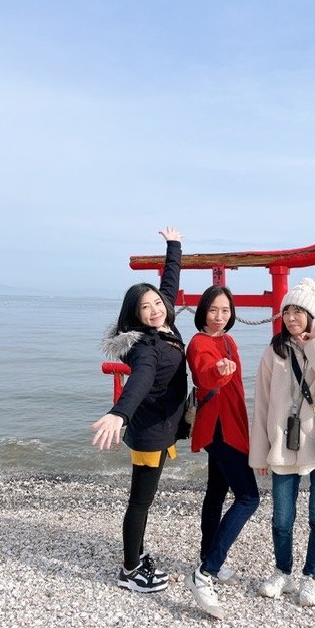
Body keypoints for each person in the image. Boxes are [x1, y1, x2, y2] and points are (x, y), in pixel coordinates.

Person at [249, 278, 315, 607]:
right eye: (287, 311)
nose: (292, 317)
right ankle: (283, 572)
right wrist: (258, 455)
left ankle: (312, 578)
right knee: (282, 518)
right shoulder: (274, 351)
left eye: (299, 311)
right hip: (283, 446)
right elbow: (262, 404)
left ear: (312, 316)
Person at [91, 226, 186, 594]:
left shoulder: (165, 321)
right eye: (145, 307)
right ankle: (130, 570)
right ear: (133, 315)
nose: (155, 309)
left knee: (144, 500)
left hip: (161, 427)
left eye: (157, 304)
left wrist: (173, 246)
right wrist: (119, 413)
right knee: (140, 502)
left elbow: (169, 283)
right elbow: (140, 381)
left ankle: (137, 555)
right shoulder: (146, 346)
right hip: (149, 433)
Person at [184, 285, 260, 620]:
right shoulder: (198, 342)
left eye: (225, 310)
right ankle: (205, 572)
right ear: (203, 311)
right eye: (213, 310)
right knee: (249, 497)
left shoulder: (230, 341)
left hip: (233, 424)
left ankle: (207, 556)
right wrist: (218, 371)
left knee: (216, 493)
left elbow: (239, 389)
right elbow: (203, 371)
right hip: (217, 429)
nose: (219, 316)